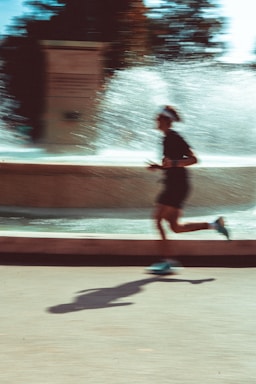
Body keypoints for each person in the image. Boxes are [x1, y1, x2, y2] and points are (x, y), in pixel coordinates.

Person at [147, 105, 230, 264]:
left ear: (165, 120)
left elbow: (194, 159)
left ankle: (167, 260)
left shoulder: (175, 137)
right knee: (175, 227)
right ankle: (214, 225)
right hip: (174, 185)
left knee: (157, 218)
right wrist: (158, 167)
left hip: (177, 186)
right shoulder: (166, 138)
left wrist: (174, 163)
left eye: (158, 118)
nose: (155, 120)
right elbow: (171, 164)